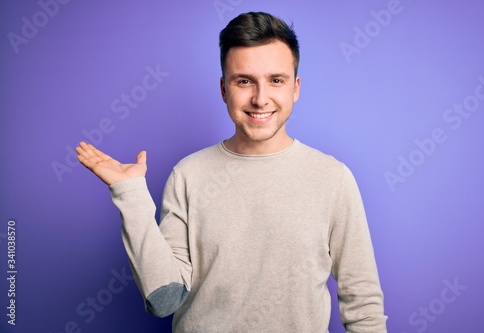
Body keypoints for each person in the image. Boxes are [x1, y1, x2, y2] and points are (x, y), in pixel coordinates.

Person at [76, 11, 387, 332]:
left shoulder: (332, 179)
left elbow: (362, 303)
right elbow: (164, 300)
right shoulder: (187, 175)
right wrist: (131, 196)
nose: (260, 98)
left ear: (295, 88)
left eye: (276, 80)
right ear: (224, 89)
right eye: (244, 81)